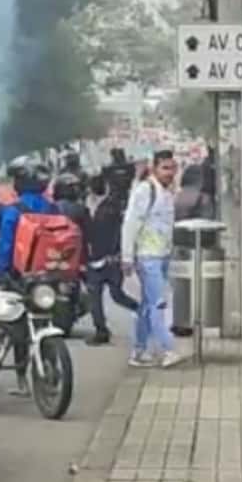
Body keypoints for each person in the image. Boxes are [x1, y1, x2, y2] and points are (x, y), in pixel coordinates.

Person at [0, 157, 59, 396]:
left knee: (19, 328)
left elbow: (5, 247)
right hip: (48, 276)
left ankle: (22, 380)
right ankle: (49, 371)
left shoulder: (14, 210)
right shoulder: (52, 209)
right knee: (45, 320)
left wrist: (1, 273)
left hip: (20, 278)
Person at [121, 150, 183, 368]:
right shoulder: (145, 191)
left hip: (162, 254)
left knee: (148, 305)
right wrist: (127, 256)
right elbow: (131, 223)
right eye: (165, 168)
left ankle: (139, 351)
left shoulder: (167, 192)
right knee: (158, 302)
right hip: (147, 256)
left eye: (172, 168)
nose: (170, 173)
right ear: (154, 168)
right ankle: (167, 349)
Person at [84, 175, 139, 345]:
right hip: (111, 258)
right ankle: (143, 311)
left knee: (96, 297)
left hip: (100, 258)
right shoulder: (114, 207)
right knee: (116, 295)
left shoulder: (99, 208)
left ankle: (101, 331)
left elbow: (99, 234)